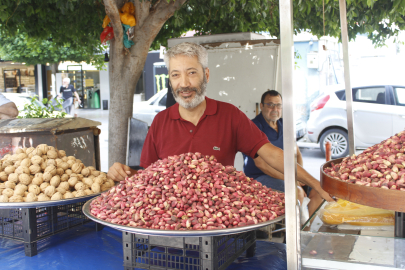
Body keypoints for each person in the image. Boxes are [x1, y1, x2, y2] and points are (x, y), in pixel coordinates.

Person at [107, 42, 334, 204]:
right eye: (175, 75)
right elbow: (149, 176)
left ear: (206, 74)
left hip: (219, 218)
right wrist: (126, 173)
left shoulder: (230, 115)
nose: (183, 83)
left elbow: (272, 155)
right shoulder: (160, 121)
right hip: (171, 219)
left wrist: (314, 182)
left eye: (192, 73)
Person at [243, 90, 323, 217]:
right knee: (296, 192)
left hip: (288, 175)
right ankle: (292, 235)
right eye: (270, 105)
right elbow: (262, 165)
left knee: (320, 191)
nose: (275, 109)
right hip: (259, 177)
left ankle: (305, 229)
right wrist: (292, 180)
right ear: (261, 106)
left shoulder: (285, 124)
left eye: (278, 105)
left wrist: (297, 176)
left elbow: (296, 153)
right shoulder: (252, 127)